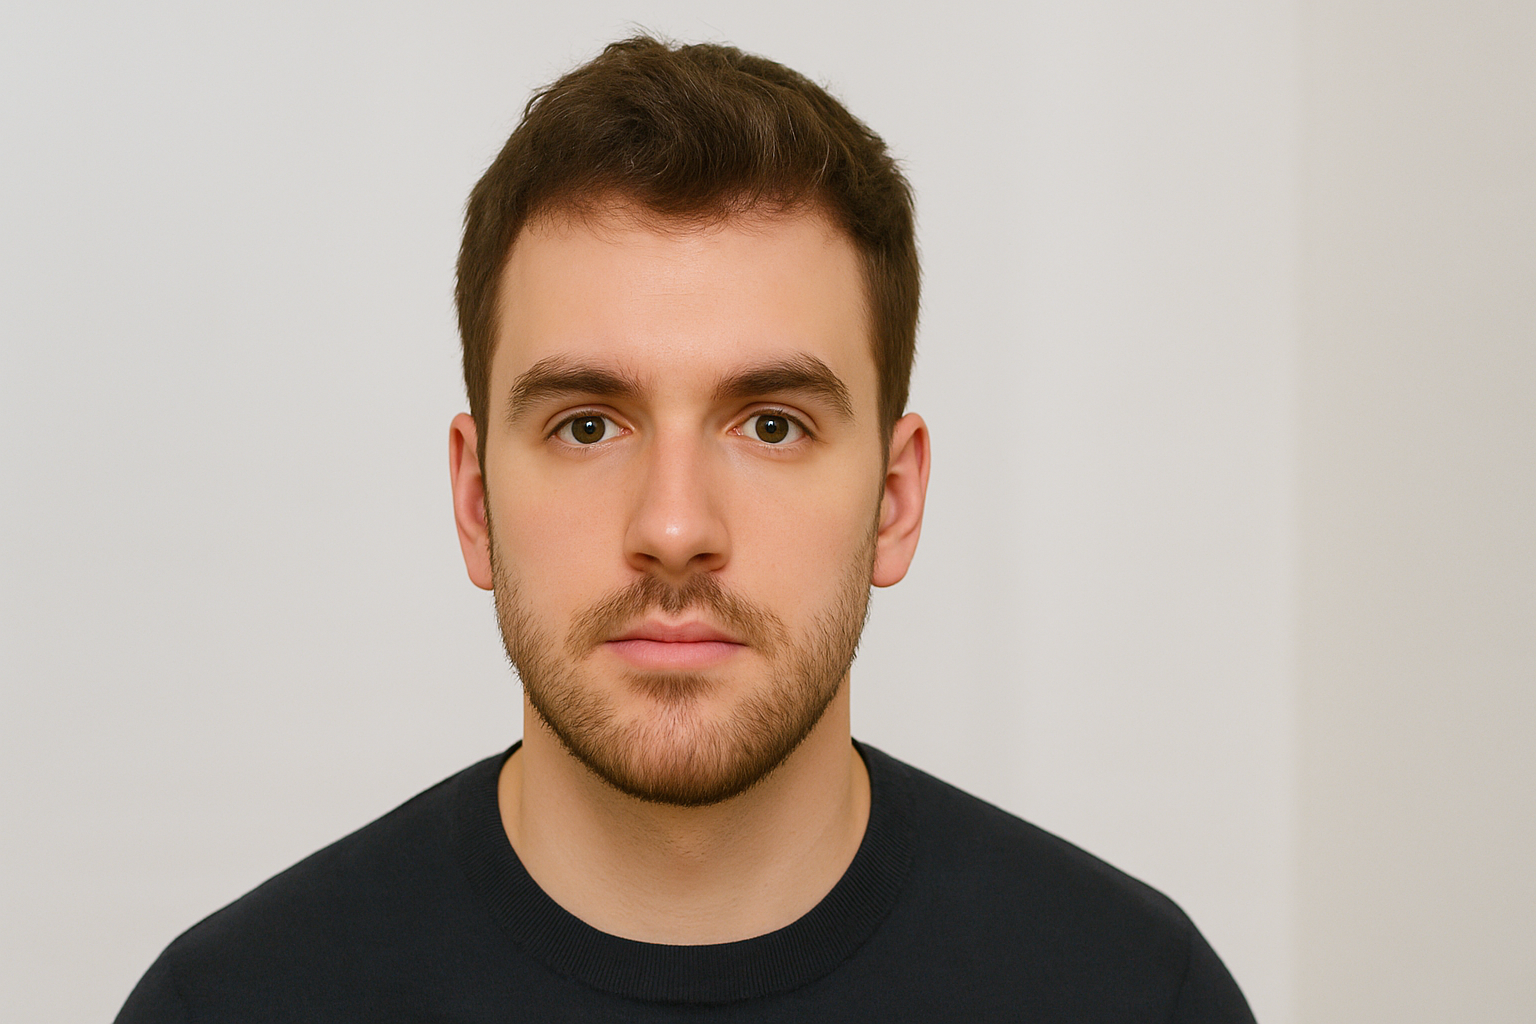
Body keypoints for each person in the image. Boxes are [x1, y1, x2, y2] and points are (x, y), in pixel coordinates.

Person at [116, 36, 1255, 1023]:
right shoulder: (231, 1005)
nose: (673, 526)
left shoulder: (1132, 994)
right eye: (586, 425)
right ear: (474, 502)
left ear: (894, 500)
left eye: (771, 424)